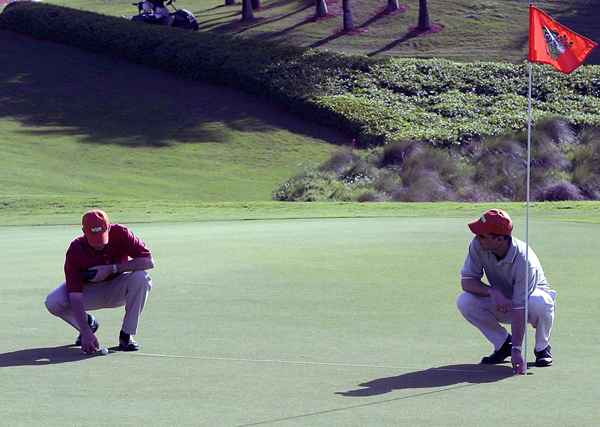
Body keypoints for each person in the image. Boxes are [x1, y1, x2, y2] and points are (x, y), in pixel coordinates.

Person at [456, 208, 556, 374]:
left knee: (541, 303)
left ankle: (542, 347)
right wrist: (493, 292)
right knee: (465, 301)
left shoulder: (524, 261)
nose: (477, 238)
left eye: (482, 235)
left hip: (529, 303)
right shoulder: (477, 245)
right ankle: (503, 344)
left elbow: (520, 307)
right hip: (502, 300)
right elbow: (467, 282)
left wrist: (517, 351)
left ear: (500, 239)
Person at [45, 209, 155, 354]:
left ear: (109, 227)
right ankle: (88, 324)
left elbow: (149, 262)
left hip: (118, 288)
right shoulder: (75, 249)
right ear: (84, 231)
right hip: (89, 292)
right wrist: (84, 331)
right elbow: (75, 296)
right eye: (93, 238)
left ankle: (127, 335)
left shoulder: (122, 233)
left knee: (142, 278)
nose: (98, 244)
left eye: (102, 238)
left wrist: (112, 269)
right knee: (53, 302)